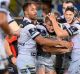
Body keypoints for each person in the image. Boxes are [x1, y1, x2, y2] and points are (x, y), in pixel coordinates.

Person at [16, 1, 72, 74]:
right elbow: (41, 41)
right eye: (32, 10)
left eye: (36, 9)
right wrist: (62, 43)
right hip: (26, 59)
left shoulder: (33, 24)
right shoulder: (28, 25)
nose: (36, 12)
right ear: (26, 12)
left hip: (32, 59)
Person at [48, 7, 80, 74]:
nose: (68, 16)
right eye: (66, 14)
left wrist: (53, 19)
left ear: (75, 15)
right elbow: (56, 27)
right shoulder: (66, 25)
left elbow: (60, 34)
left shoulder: (77, 26)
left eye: (70, 14)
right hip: (67, 59)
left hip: (77, 59)